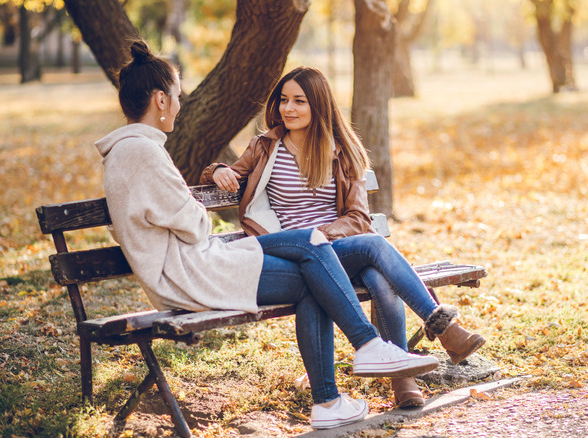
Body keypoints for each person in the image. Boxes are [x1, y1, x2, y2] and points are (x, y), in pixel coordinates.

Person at [95, 41, 440, 430]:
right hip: (194, 272)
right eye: (176, 97)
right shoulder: (142, 152)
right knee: (315, 262)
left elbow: (172, 215)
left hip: (195, 264)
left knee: (312, 249)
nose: (178, 105)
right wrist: (199, 200)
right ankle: (359, 358)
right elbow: (195, 224)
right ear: (160, 100)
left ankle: (340, 388)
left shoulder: (133, 151)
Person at [200, 66, 486, 408]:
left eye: (299, 102)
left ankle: (405, 374)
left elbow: (358, 217)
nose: (288, 109)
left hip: (337, 248)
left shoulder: (341, 150)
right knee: (375, 249)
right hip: (295, 255)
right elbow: (225, 172)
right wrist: (216, 171)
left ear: (318, 105)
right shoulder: (265, 147)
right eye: (284, 100)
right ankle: (437, 338)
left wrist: (325, 233)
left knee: (378, 275)